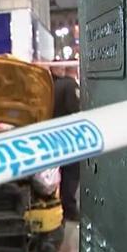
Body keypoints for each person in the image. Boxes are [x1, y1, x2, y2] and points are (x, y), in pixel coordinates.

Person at [51, 65, 81, 221]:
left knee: (58, 172)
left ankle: (57, 204)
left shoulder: (55, 85)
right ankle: (69, 209)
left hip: (54, 134)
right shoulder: (71, 85)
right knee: (72, 171)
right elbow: (74, 109)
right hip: (68, 136)